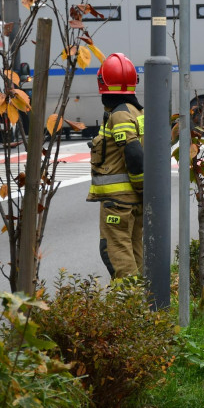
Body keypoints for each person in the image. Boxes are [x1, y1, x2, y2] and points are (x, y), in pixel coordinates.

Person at [88, 53, 145, 279]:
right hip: (132, 201)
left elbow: (133, 152)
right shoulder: (136, 111)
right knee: (133, 249)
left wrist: (141, 187)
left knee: (114, 251)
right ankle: (144, 302)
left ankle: (127, 304)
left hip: (119, 201)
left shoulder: (119, 115)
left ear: (102, 83)